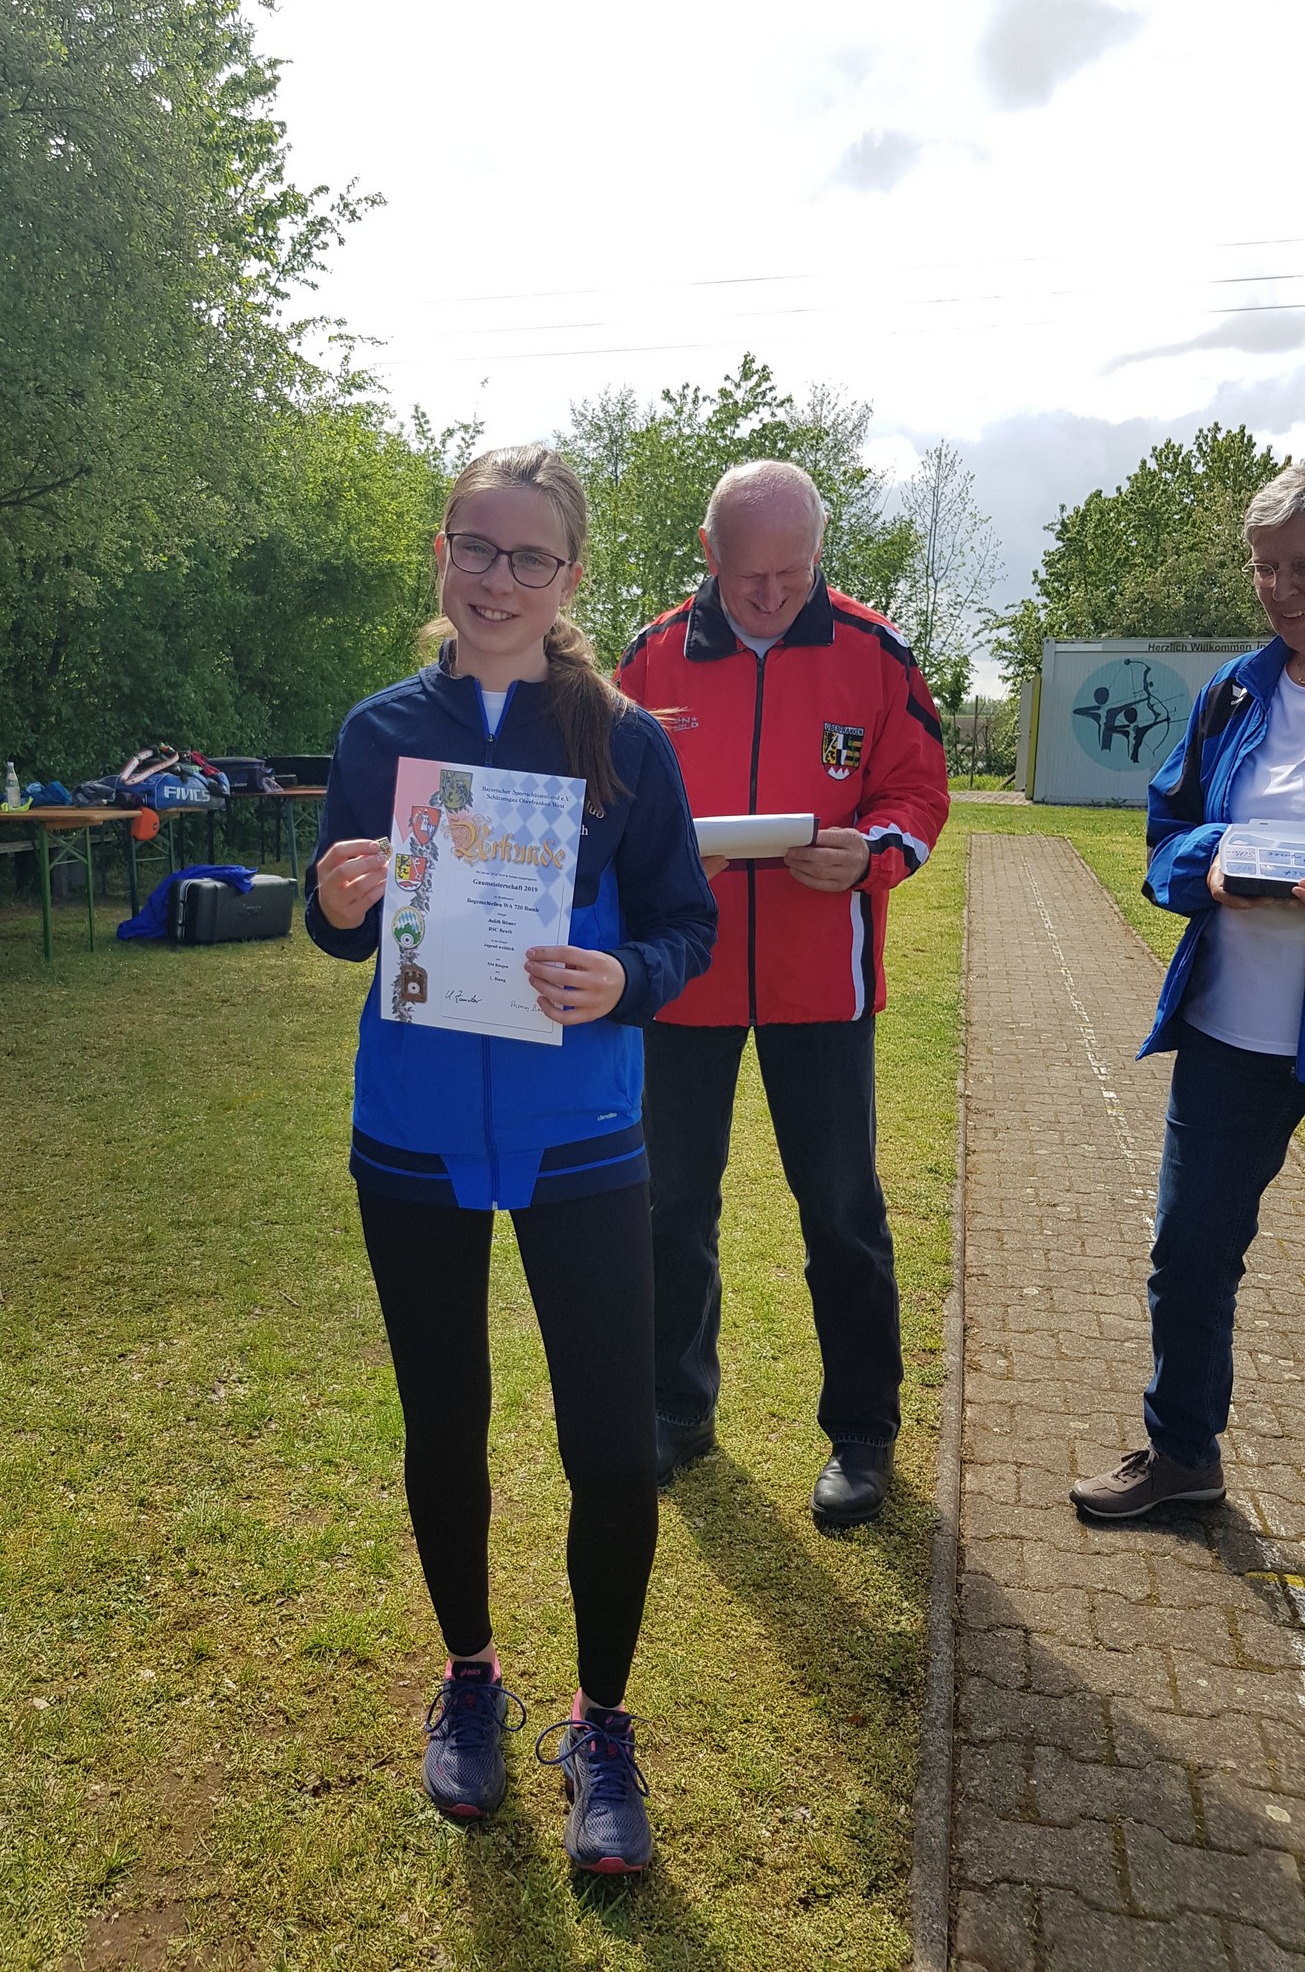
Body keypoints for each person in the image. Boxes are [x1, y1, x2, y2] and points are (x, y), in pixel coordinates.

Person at [305, 445, 716, 1872]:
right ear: (443, 554)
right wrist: (335, 901)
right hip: (413, 1132)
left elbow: (683, 925)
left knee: (610, 1445)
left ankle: (602, 1725)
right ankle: (471, 1676)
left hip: (581, 1136)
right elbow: (347, 932)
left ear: (570, 576)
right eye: (476, 548)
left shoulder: (626, 740)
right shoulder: (378, 731)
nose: (498, 580)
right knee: (446, 1424)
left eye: (530, 557)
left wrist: (626, 978)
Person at [616, 460, 949, 1523]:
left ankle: (863, 1432)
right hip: (683, 977)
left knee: (842, 1213)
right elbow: (609, 806)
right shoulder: (649, 657)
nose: (769, 594)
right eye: (748, 574)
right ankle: (675, 1407)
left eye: (792, 573)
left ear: (817, 553)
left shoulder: (875, 650)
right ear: (708, 554)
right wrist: (667, 858)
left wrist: (872, 855)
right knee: (671, 1205)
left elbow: (918, 792)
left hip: (821, 982)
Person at [1073, 461, 1305, 1519]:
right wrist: (1211, 864)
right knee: (1191, 1253)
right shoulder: (1235, 694)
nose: (1280, 590)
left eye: (1300, 567)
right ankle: (1182, 1457)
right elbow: (1165, 834)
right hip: (1230, 1034)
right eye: (1264, 568)